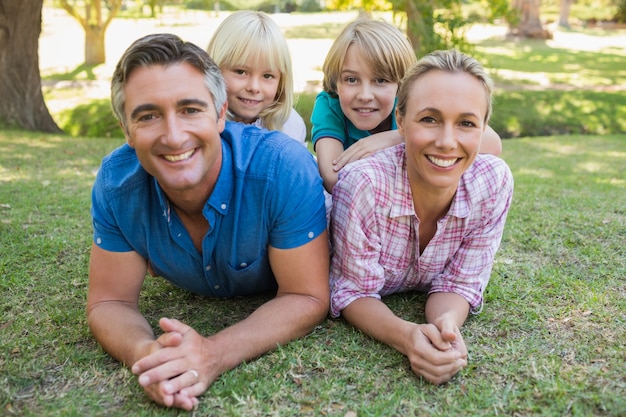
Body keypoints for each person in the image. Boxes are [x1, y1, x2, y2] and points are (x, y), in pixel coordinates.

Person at [87, 33, 329, 411]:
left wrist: (213, 353)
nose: (173, 135)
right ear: (126, 130)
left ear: (220, 114)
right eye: (148, 116)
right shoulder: (116, 186)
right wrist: (151, 356)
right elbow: (110, 301)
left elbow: (307, 295)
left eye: (190, 110)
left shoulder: (283, 167)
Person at [328, 49, 514, 385]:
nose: (446, 142)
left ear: (484, 128)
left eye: (466, 123)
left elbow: (459, 282)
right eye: (429, 119)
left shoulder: (493, 182)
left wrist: (445, 326)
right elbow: (353, 290)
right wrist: (407, 336)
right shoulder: (365, 184)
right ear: (400, 121)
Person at [311, 18, 503, 194]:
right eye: (351, 79)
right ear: (336, 82)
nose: (365, 95)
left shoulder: (410, 103)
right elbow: (333, 178)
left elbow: (492, 144)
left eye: (380, 80)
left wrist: (394, 137)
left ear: (400, 85)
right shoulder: (330, 106)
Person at [207, 10, 307, 145]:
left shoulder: (289, 127)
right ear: (215, 69)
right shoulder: (201, 122)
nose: (254, 87)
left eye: (267, 76)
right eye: (241, 72)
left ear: (281, 82)